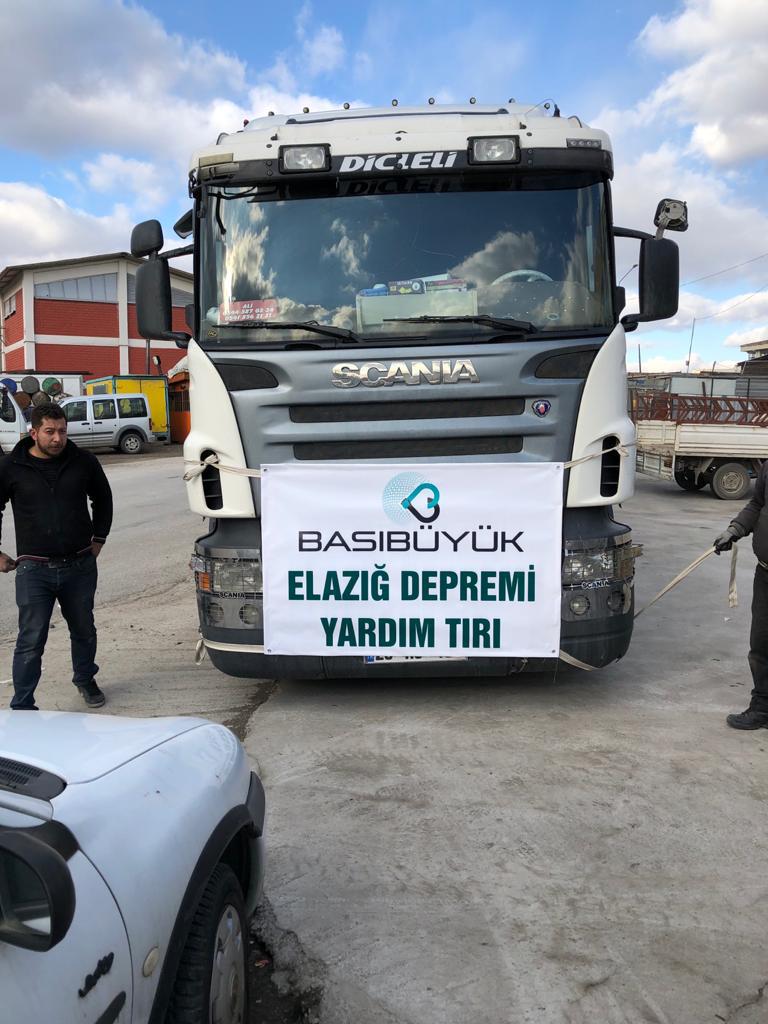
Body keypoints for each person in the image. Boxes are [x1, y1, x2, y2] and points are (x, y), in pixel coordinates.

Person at [0, 402, 112, 710]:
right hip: (34, 570)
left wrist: (99, 538)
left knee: (84, 629)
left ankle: (85, 679)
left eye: (62, 431)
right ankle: (23, 704)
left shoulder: (84, 461)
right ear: (33, 432)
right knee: (31, 639)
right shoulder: (10, 467)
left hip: (79, 565)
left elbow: (103, 498)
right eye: (49, 431)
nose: (57, 438)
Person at [715, 462, 768, 729]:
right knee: (761, 644)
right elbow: (757, 504)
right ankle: (762, 708)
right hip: (766, 573)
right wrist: (735, 530)